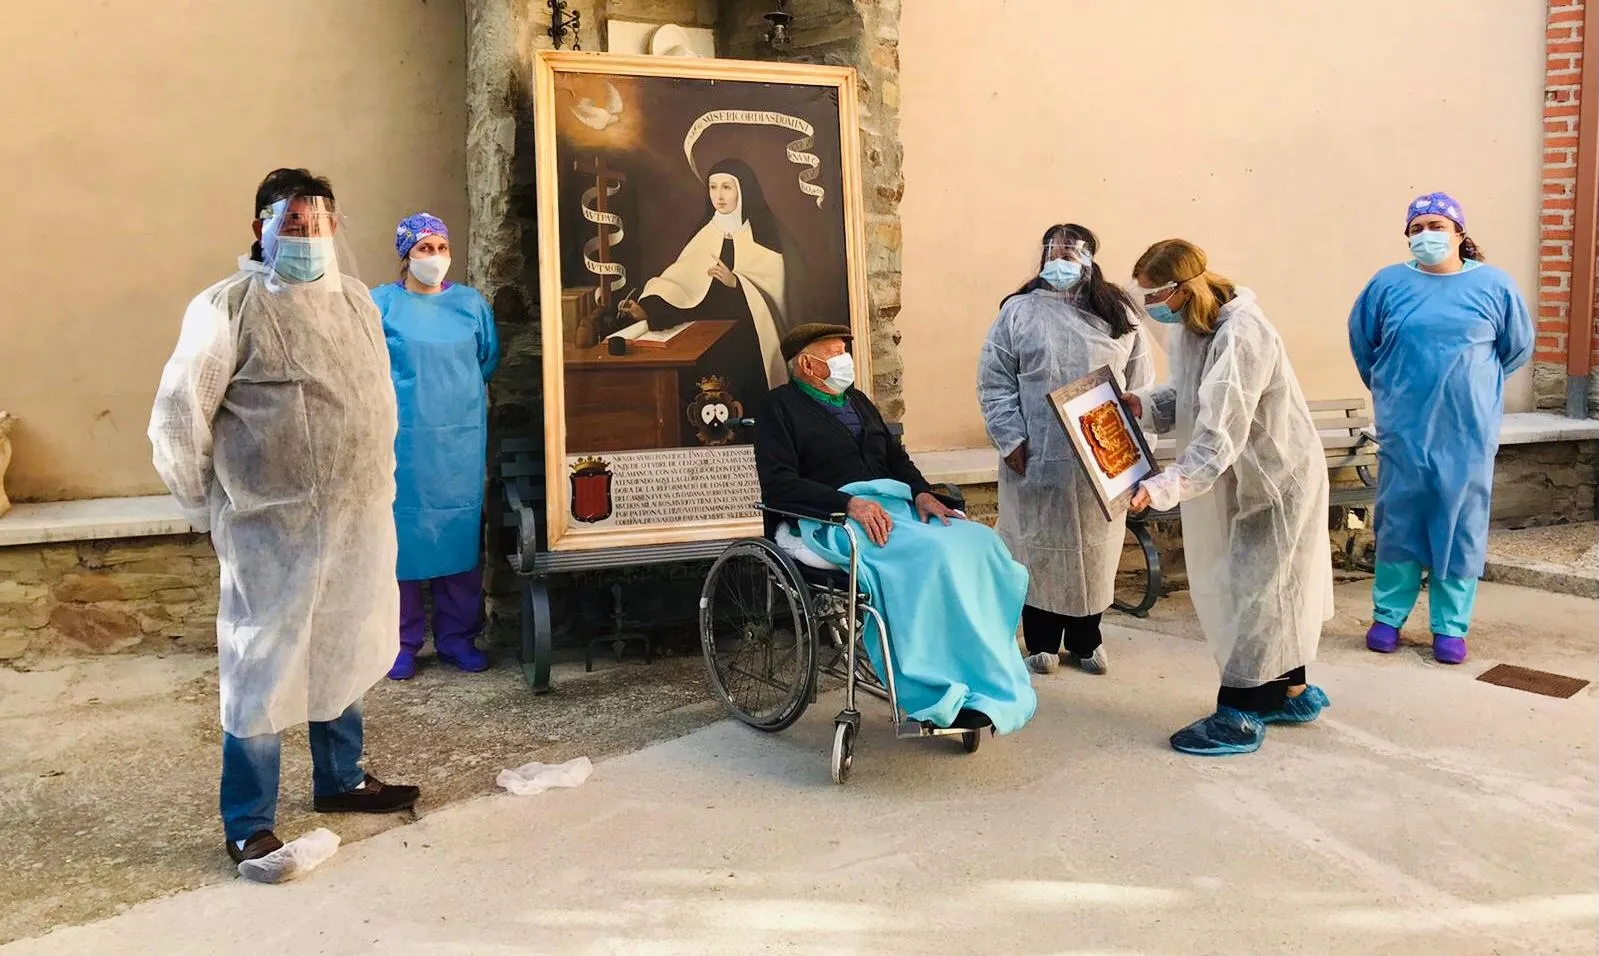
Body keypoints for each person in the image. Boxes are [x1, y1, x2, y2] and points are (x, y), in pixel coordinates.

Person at [148, 168, 419, 868]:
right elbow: (181, 419)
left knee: (345, 643)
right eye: (291, 223)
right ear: (259, 230)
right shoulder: (227, 307)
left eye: (319, 222)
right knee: (261, 666)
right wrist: (206, 506)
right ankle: (247, 819)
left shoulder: (356, 302)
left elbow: (377, 401)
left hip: (358, 520)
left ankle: (342, 778)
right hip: (270, 531)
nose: (307, 235)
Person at [756, 324, 1037, 734]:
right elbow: (779, 481)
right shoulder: (777, 408)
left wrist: (922, 492)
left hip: (895, 506)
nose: (843, 359)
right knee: (932, 555)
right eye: (834, 352)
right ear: (807, 364)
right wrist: (847, 502)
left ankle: (981, 676)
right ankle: (934, 686)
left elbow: (896, 458)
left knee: (980, 542)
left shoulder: (857, 402)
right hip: (830, 516)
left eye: (843, 351)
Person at [1124, 240, 1334, 756]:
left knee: (1260, 590)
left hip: (1277, 479)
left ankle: (1239, 710)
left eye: (1153, 296)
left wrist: (1160, 487)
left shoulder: (1243, 334)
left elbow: (1219, 436)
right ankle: (1291, 691)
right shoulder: (1200, 329)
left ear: (1179, 289)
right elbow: (1191, 394)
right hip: (1248, 476)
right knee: (1273, 586)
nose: (1149, 306)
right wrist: (1140, 404)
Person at [1349, 192, 1532, 664]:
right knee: (1400, 521)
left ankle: (1449, 628)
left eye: (1436, 226)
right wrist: (1394, 390)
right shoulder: (1387, 285)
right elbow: (1364, 344)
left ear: (1459, 234)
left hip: (1466, 432)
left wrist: (1471, 384)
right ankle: (1387, 618)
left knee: (1461, 524)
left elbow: (1514, 349)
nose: (1426, 235)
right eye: (1416, 228)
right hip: (1405, 429)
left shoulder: (1494, 285)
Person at [979, 223, 1154, 677]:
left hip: (1102, 460)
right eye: (1054, 253)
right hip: (1035, 457)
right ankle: (1040, 639)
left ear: (1090, 259)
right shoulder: (1018, 313)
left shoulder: (1119, 315)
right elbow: (995, 382)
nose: (1061, 262)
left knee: (1093, 553)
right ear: (1042, 257)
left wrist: (1137, 456)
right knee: (1037, 548)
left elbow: (1142, 388)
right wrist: (1010, 437)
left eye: (1071, 253)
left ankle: (1086, 637)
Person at [371, 213, 500, 680]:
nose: (436, 257)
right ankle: (400, 643)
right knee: (401, 541)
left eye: (442, 247)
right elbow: (366, 365)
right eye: (425, 249)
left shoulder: (470, 305)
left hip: (460, 441)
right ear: (405, 256)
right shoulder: (380, 304)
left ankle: (456, 639)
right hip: (401, 441)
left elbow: (486, 359)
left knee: (459, 535)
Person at [618, 159, 787, 422]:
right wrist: (649, 308)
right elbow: (683, 284)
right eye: (713, 187)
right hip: (705, 339)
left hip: (746, 338)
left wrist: (737, 283)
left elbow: (775, 290)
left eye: (727, 187)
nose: (719, 196)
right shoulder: (705, 233)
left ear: (742, 191)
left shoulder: (763, 233)